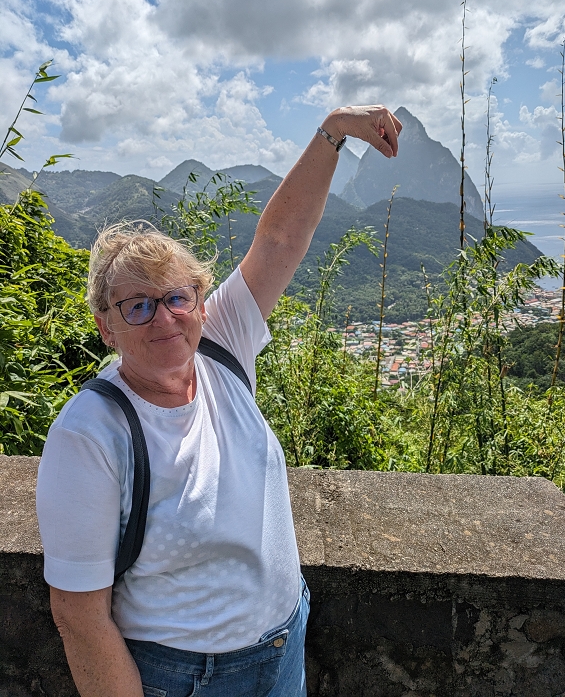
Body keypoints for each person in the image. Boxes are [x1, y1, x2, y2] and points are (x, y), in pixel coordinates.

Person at [36, 105, 402, 697]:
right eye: (137, 305)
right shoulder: (90, 433)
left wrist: (333, 131)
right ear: (107, 327)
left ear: (201, 305)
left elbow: (280, 237)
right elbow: (78, 614)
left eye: (176, 297)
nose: (164, 318)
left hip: (284, 645)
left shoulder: (222, 344)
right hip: (187, 679)